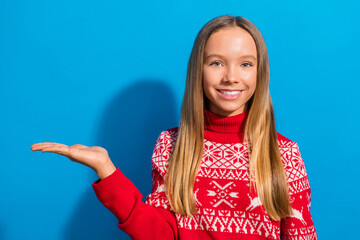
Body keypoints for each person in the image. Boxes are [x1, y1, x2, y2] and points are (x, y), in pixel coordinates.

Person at [31, 15, 318, 239]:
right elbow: (160, 233)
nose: (231, 77)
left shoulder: (284, 153)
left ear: (260, 72)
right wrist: (106, 170)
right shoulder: (171, 145)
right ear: (198, 69)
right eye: (216, 63)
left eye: (245, 64)